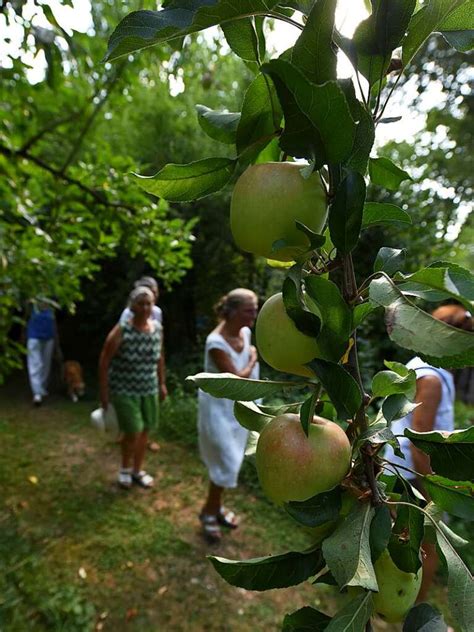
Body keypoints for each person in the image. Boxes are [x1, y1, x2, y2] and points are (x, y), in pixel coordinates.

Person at [384, 303, 473, 602]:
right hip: (413, 478)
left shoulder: (418, 365)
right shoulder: (433, 379)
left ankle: (390, 600)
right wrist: (436, 491)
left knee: (396, 542)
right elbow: (420, 443)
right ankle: (415, 611)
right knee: (431, 546)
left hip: (394, 469)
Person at [198, 288, 259, 543]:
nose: (254, 314)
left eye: (255, 308)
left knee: (228, 464)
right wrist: (254, 356)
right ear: (233, 312)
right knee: (227, 461)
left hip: (238, 411)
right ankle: (208, 513)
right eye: (249, 310)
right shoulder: (216, 343)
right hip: (218, 413)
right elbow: (235, 379)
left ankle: (215, 508)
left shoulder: (245, 332)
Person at [99, 286, 164, 489]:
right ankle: (124, 470)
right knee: (133, 431)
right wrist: (104, 393)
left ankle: (138, 470)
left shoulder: (157, 329)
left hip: (149, 388)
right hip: (124, 389)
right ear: (132, 306)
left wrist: (162, 383)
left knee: (145, 430)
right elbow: (104, 361)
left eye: (149, 303)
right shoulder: (122, 330)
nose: (145, 307)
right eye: (141, 303)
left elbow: (160, 357)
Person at [26, 299, 58, 406]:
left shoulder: (52, 303)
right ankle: (37, 393)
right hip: (34, 336)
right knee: (36, 364)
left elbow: (54, 322)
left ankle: (41, 389)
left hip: (49, 336)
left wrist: (56, 339)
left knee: (46, 364)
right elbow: (25, 314)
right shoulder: (32, 301)